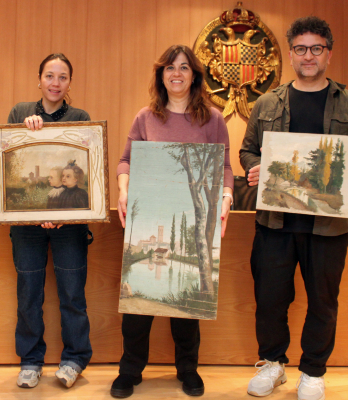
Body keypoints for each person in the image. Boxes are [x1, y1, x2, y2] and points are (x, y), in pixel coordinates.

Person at [240, 16, 348, 400]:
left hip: (329, 223)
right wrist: (253, 168)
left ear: (328, 54)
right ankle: (272, 364)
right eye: (300, 49)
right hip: (274, 219)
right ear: (290, 54)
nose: (308, 56)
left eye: (316, 48)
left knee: (323, 299)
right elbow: (248, 150)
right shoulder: (267, 102)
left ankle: (313, 371)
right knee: (270, 297)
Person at [112, 44, 234, 398]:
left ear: (194, 74)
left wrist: (225, 199)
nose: (176, 73)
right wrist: (123, 190)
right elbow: (125, 161)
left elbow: (224, 167)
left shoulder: (213, 119)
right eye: (169, 68)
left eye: (183, 67)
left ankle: (188, 370)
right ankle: (129, 371)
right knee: (139, 302)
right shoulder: (145, 117)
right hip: (149, 214)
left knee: (187, 303)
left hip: (195, 220)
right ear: (160, 75)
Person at [7, 53, 93, 389]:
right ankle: (30, 361)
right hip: (27, 226)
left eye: (62, 77)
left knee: (73, 294)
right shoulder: (19, 113)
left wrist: (60, 214)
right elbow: (10, 160)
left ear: (69, 82)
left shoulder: (80, 117)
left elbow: (84, 173)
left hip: (69, 225)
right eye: (49, 76)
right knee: (29, 292)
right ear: (39, 79)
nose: (55, 83)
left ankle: (75, 359)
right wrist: (23, 131)